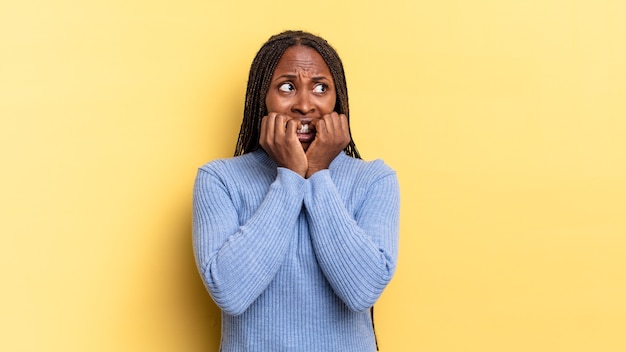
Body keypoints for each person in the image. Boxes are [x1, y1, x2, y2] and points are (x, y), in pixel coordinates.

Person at [192, 30, 400, 352]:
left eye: (320, 88)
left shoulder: (374, 180)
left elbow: (362, 290)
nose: (304, 105)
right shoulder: (220, 179)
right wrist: (290, 176)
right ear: (263, 96)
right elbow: (230, 292)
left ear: (338, 99)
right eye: (287, 87)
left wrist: (318, 173)